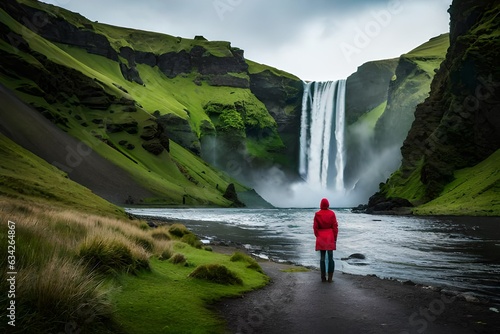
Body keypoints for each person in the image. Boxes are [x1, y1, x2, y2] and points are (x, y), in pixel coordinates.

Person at [313, 198, 338, 283]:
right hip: (330, 236)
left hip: (321, 237)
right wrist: (335, 238)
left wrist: (318, 236)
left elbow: (315, 227)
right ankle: (330, 278)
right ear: (328, 204)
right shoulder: (332, 213)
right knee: (331, 258)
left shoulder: (317, 214)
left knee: (322, 258)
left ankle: (323, 277)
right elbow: (335, 227)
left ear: (320, 204)